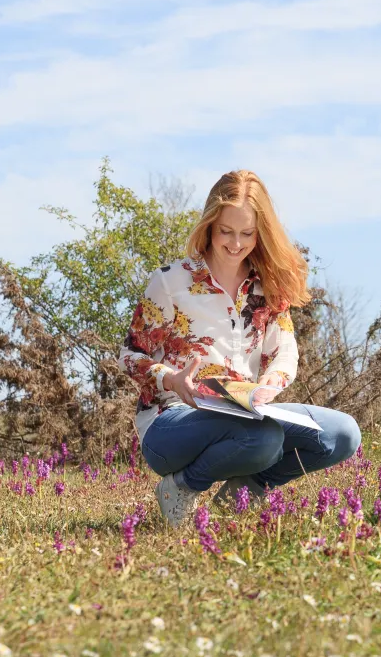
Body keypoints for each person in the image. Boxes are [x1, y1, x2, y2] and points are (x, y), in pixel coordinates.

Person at [118, 170, 360, 527]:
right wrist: (171, 380)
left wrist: (269, 386)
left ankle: (244, 489)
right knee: (264, 440)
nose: (235, 243)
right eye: (226, 231)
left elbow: (285, 352)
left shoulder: (267, 287)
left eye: (247, 233)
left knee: (342, 434)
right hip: (172, 422)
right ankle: (181, 487)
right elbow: (129, 356)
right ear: (210, 225)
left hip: (244, 412)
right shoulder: (171, 281)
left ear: (261, 233)